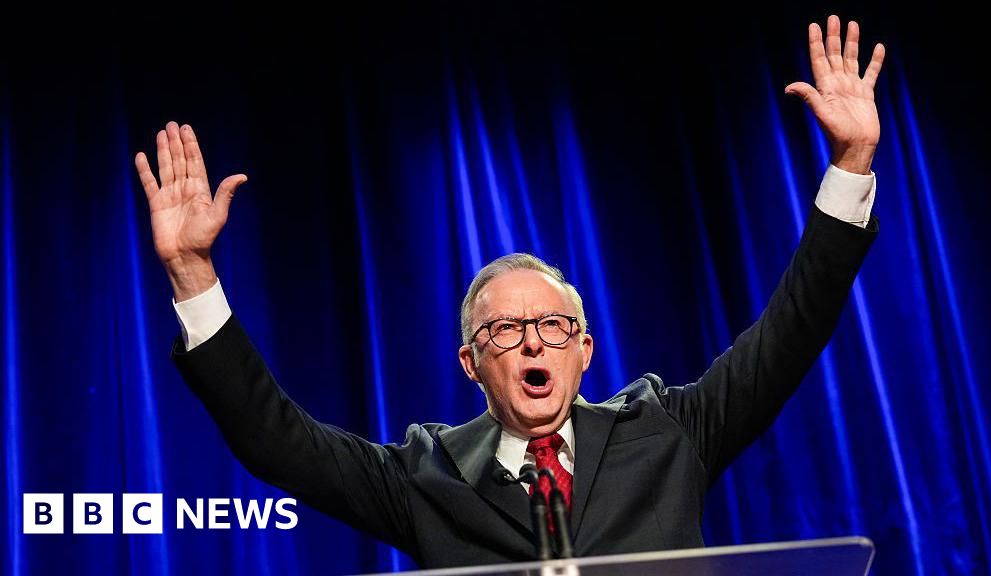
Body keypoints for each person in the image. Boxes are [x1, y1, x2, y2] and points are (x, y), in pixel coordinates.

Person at [134, 15, 885, 569]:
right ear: (470, 362)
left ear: (584, 350)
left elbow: (792, 332)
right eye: (503, 331)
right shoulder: (425, 476)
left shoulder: (668, 431)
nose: (532, 342)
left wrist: (850, 163)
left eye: (553, 326)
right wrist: (193, 273)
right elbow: (277, 440)